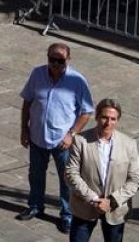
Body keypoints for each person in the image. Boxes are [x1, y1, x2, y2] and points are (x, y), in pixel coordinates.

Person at [18, 42, 95, 234]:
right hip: (37, 136)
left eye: (60, 60)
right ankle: (35, 205)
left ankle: (67, 215)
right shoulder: (37, 74)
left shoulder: (77, 81)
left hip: (63, 141)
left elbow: (86, 112)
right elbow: (27, 101)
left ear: (68, 59)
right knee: (35, 174)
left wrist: (72, 134)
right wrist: (24, 129)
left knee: (67, 180)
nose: (55, 64)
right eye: (52, 59)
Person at [66, 99, 139, 242]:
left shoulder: (129, 144)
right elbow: (71, 173)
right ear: (97, 117)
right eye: (104, 117)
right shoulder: (80, 141)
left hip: (115, 209)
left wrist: (112, 201)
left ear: (117, 120)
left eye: (113, 119)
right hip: (84, 207)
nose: (108, 123)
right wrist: (94, 199)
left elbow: (135, 179)